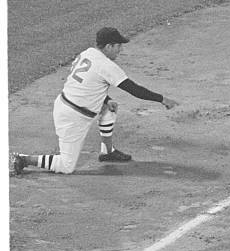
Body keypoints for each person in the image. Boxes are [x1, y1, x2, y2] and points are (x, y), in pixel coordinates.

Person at [10, 27, 179, 175]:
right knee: (66, 166)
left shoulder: (88, 53)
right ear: (108, 46)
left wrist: (105, 99)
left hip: (69, 104)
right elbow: (135, 90)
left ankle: (107, 151)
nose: (120, 50)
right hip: (72, 118)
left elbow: (85, 82)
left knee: (109, 108)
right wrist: (162, 99)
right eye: (118, 46)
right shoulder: (106, 65)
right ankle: (24, 159)